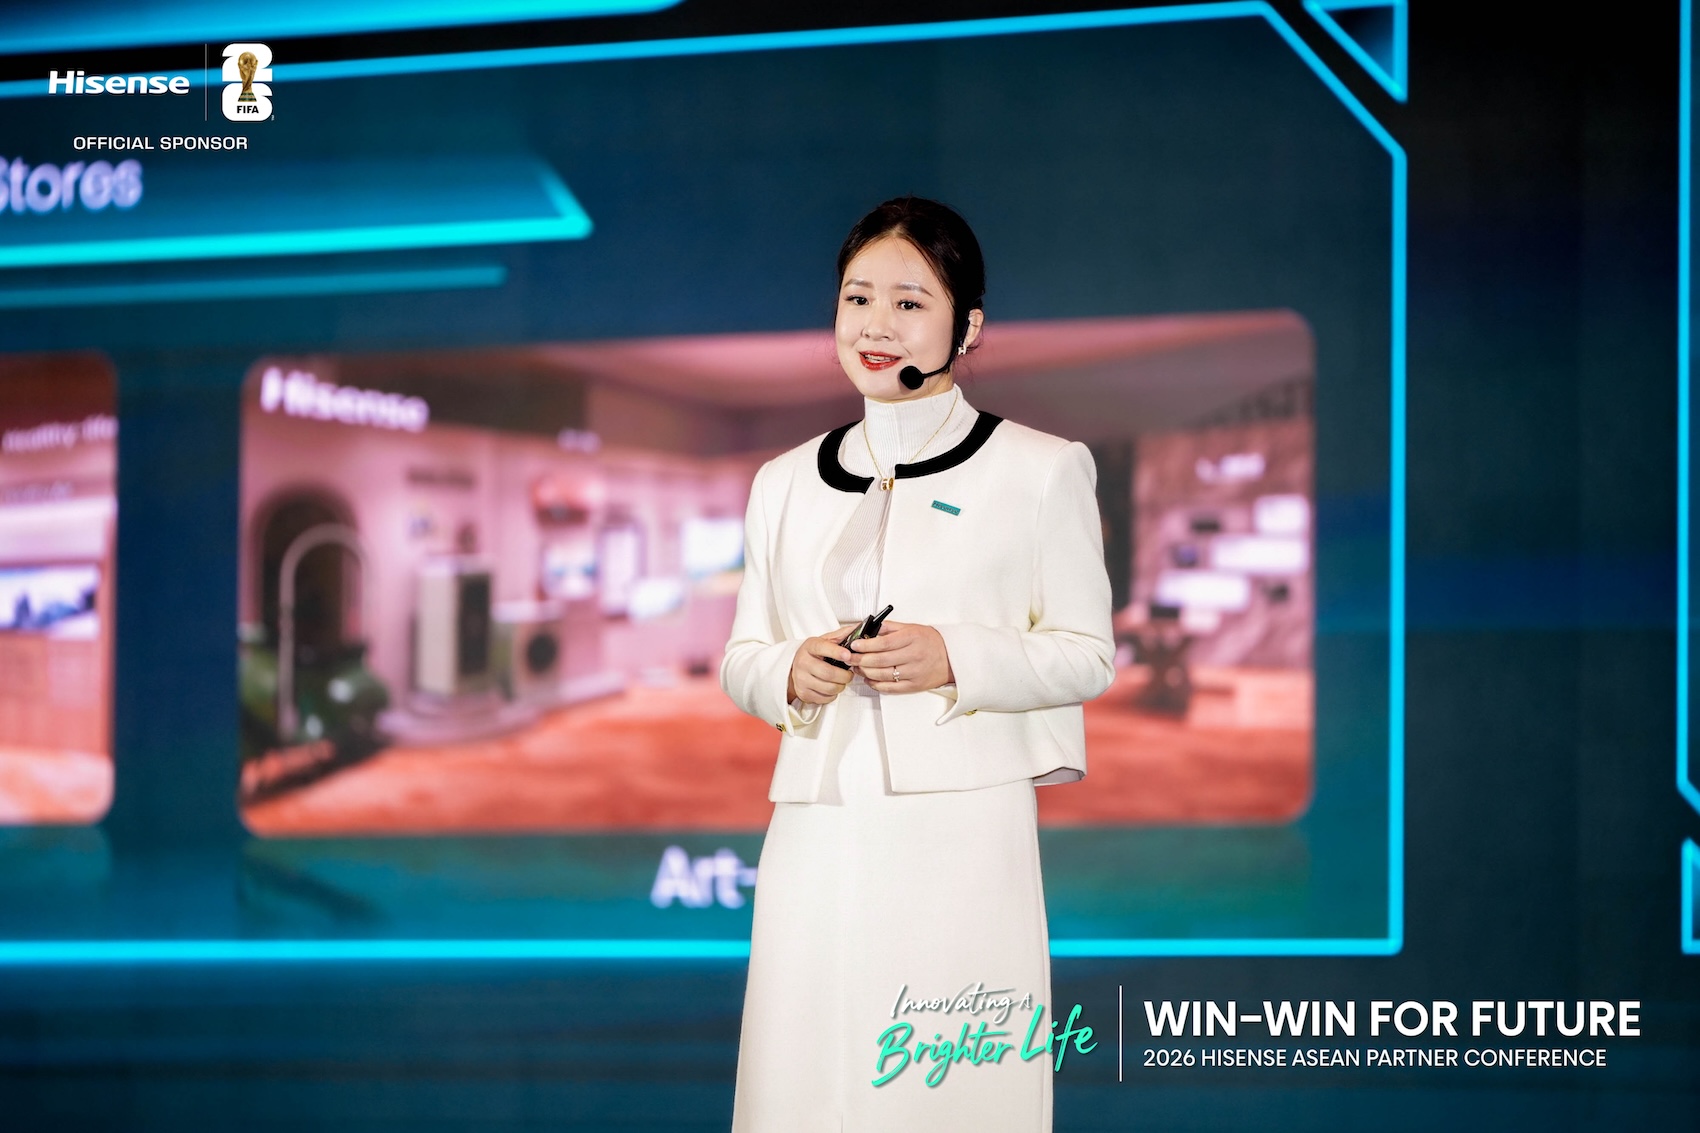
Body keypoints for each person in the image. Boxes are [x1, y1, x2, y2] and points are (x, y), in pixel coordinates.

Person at [721, 196, 1116, 1132]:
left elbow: (1087, 654)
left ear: (967, 326)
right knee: (808, 1072)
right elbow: (742, 656)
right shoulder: (782, 481)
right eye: (858, 298)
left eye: (909, 302)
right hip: (817, 823)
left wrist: (953, 656)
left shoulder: (1041, 468)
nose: (875, 325)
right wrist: (789, 672)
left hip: (964, 828)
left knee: (946, 1083)